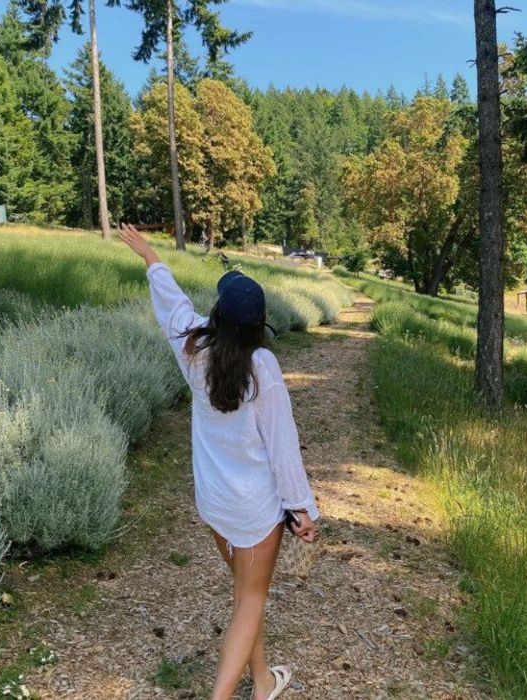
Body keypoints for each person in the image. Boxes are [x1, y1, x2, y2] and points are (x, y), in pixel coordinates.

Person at [119, 224, 319, 700]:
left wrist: (151, 256)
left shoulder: (193, 350)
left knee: (244, 595)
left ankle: (265, 680)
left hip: (214, 503)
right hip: (252, 511)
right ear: (258, 326)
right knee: (250, 601)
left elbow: (171, 305)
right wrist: (302, 508)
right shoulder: (262, 368)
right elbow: (282, 445)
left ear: (217, 316)